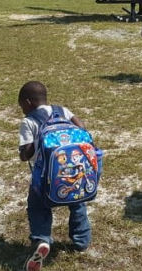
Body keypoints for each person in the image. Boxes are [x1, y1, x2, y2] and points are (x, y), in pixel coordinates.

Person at [18, 81, 91, 270]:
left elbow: (24, 154)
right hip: (74, 173)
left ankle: (42, 240)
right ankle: (81, 241)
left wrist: (37, 141)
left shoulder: (28, 122)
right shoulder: (63, 111)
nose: (23, 111)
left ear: (28, 102)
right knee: (78, 203)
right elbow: (82, 128)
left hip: (45, 178)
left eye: (22, 106)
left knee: (37, 207)